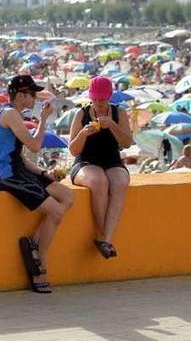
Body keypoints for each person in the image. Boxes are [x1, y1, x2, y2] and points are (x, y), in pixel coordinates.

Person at [0, 75, 73, 294]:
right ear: (21, 95)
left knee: (67, 197)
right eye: (32, 94)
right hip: (9, 176)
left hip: (20, 170)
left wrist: (44, 173)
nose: (34, 97)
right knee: (56, 211)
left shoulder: (8, 114)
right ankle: (39, 265)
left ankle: (33, 242)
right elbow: (34, 146)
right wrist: (43, 119)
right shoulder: (10, 114)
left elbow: (20, 156)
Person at [68, 76, 132, 259]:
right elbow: (73, 150)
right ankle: (105, 237)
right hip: (85, 161)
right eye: (95, 99)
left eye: (102, 99)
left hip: (111, 160)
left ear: (110, 97)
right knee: (99, 182)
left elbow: (127, 143)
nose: (98, 103)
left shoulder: (119, 113)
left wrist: (112, 125)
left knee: (119, 182)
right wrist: (83, 134)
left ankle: (106, 239)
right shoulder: (82, 114)